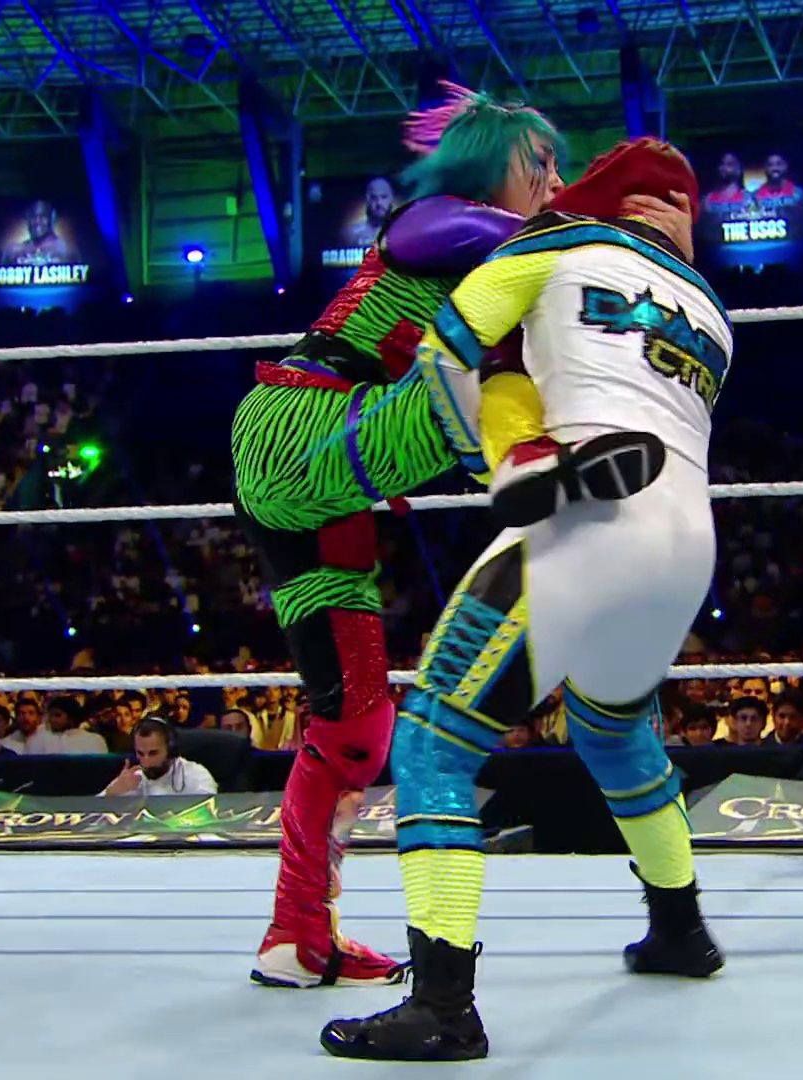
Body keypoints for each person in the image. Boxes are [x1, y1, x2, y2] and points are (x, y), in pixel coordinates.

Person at [230, 85, 690, 990]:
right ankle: (532, 471)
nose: (552, 181)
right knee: (477, 370)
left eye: (559, 169)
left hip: (334, 494)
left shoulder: (523, 260)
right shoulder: (431, 220)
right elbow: (471, 242)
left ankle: (296, 934)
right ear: (490, 166)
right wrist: (604, 229)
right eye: (540, 166)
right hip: (303, 424)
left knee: (355, 727)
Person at [320, 138, 726, 1062]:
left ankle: (442, 1004)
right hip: (686, 542)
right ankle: (681, 928)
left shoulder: (555, 244)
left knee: (433, 742)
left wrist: (489, 458)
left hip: (581, 525)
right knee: (615, 731)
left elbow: (444, 351)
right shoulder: (710, 307)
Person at [99, 717, 219, 797]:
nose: (146, 762)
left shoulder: (196, 776)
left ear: (170, 750)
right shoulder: (131, 779)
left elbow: (208, 814)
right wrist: (111, 793)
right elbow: (93, 817)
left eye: (153, 753)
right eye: (140, 753)